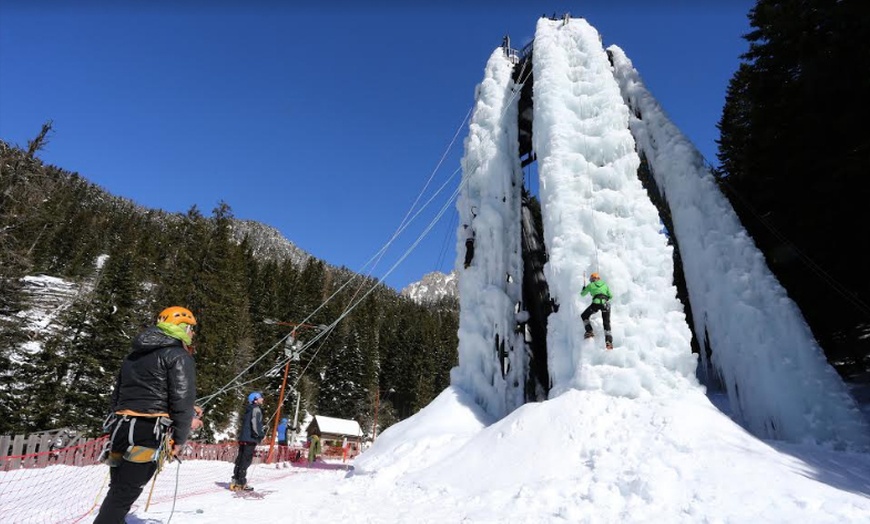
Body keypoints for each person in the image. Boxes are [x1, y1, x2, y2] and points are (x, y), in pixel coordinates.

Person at [94, 306, 198, 524]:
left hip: (121, 427)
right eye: (191, 329)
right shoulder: (178, 356)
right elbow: (182, 400)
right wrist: (180, 437)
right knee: (125, 492)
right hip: (148, 430)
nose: (192, 334)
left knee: (119, 488)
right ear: (182, 327)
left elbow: (119, 394)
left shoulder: (133, 355)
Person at [231, 391, 264, 491]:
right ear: (255, 399)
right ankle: (241, 482)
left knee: (240, 459)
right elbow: (255, 424)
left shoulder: (248, 409)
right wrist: (260, 434)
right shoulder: (256, 409)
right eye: (261, 397)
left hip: (244, 438)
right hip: (250, 438)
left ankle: (235, 480)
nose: (262, 399)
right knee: (246, 460)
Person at [580, 273, 614, 350]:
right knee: (606, 323)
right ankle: (609, 342)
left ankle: (589, 331)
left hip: (596, 303)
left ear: (592, 279)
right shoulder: (605, 285)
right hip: (606, 304)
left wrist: (583, 289)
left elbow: (582, 294)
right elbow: (611, 296)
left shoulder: (591, 285)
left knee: (584, 316)